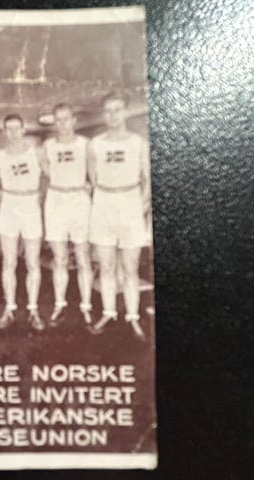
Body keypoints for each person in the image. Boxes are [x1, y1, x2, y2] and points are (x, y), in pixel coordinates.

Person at [87, 92, 151, 338]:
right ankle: (108, 312)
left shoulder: (138, 143)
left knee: (130, 268)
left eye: (117, 109)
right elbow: (93, 178)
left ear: (126, 112)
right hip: (104, 203)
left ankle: (133, 317)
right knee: (107, 266)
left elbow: (148, 179)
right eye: (108, 110)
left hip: (130, 202)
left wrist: (141, 206)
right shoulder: (95, 144)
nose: (112, 115)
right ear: (103, 114)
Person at [41, 103, 93, 327]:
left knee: (83, 257)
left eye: (66, 118)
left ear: (74, 120)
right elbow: (46, 170)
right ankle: (59, 304)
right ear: (54, 122)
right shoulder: (48, 145)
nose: (62, 123)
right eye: (58, 119)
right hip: (56, 200)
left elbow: (95, 173)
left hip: (79, 200)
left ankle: (86, 307)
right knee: (60, 258)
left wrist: (88, 185)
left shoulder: (85, 144)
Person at [0, 114, 45, 331]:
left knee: (33, 261)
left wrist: (42, 192)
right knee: (9, 262)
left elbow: (52, 175)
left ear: (23, 130)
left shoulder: (37, 152)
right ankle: (9, 309)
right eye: (9, 129)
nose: (13, 133)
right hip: (9, 207)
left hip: (30, 206)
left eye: (17, 128)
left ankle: (33, 310)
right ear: (4, 132)